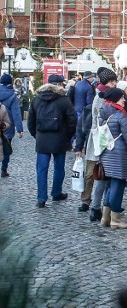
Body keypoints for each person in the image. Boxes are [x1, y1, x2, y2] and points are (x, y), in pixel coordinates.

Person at [27, 74, 77, 208]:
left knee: (41, 170)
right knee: (59, 168)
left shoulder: (36, 99)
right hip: (60, 138)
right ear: (60, 84)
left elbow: (30, 122)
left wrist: (37, 136)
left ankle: (41, 198)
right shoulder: (64, 100)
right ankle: (56, 192)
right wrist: (68, 136)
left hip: (42, 139)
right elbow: (72, 121)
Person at [97, 87, 127, 229]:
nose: (124, 99)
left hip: (106, 153)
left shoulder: (102, 112)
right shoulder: (120, 115)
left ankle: (105, 217)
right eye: (121, 97)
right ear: (116, 99)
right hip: (119, 155)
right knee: (118, 185)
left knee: (111, 184)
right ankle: (115, 219)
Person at [79, 66, 118, 219]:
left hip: (99, 139)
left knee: (100, 174)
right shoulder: (100, 97)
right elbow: (97, 120)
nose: (115, 84)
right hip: (98, 140)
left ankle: (97, 206)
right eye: (114, 81)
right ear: (108, 81)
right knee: (93, 174)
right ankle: (90, 203)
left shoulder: (106, 95)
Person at [0, 74, 25, 178]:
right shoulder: (12, 96)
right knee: (6, 148)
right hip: (7, 127)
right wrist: (20, 129)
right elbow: (16, 113)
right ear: (10, 83)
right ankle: (4, 169)